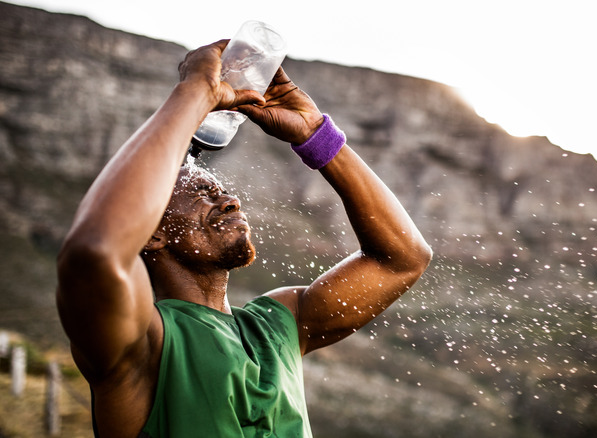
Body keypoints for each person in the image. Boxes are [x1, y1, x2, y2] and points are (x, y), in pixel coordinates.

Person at [56, 39, 432, 438]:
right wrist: (195, 92)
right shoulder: (140, 340)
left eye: (221, 191)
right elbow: (94, 251)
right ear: (151, 235)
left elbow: (403, 258)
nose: (231, 200)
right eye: (202, 195)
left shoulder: (279, 324)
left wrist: (315, 137)